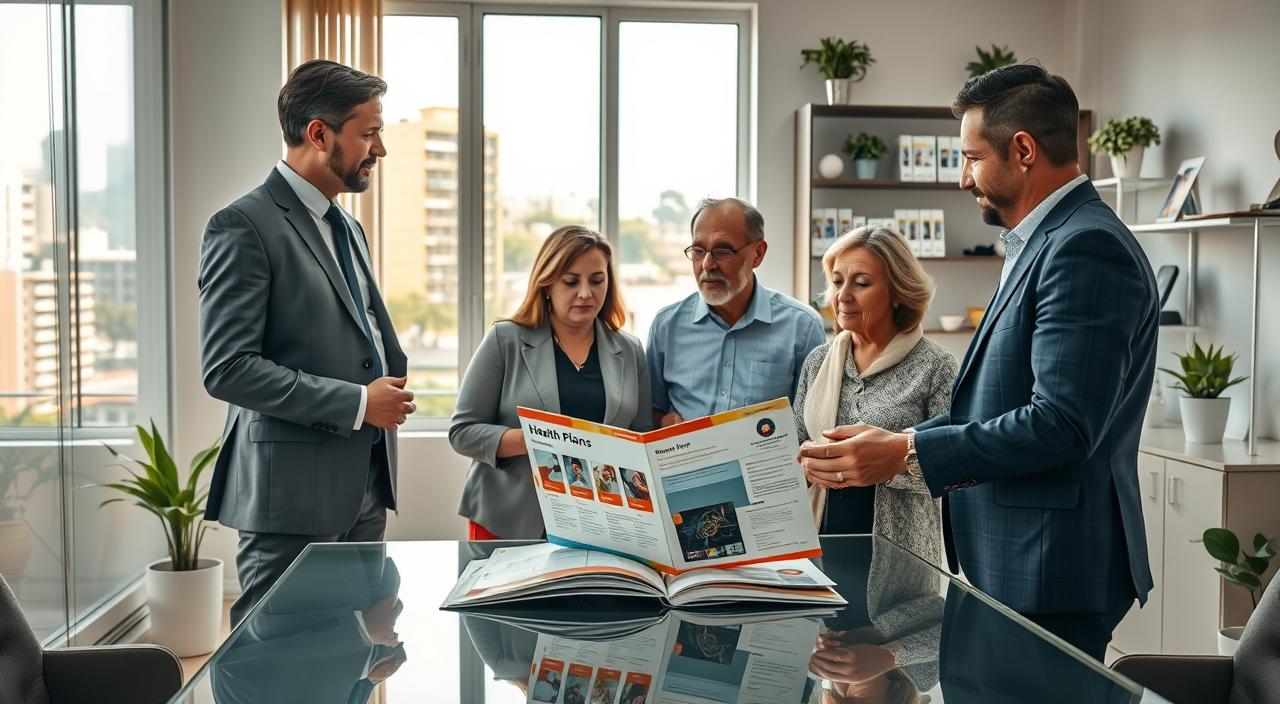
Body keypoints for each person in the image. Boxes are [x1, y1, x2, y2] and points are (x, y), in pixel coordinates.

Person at [797, 64, 1158, 660]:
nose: (964, 179)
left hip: (1048, 565)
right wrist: (901, 441)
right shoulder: (1043, 242)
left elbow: (1062, 423)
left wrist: (907, 453)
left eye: (972, 159)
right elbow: (1001, 405)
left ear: (1023, 151)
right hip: (1020, 559)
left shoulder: (1084, 247)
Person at [199, 60, 412, 626]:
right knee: (281, 657)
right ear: (319, 134)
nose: (380, 149)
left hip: (365, 485)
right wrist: (359, 402)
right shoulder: (242, 225)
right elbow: (228, 368)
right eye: (369, 133)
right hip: (291, 500)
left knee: (355, 656)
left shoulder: (349, 228)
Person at [451, 226, 652, 539]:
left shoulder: (630, 350)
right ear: (546, 284)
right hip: (509, 519)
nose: (585, 293)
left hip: (601, 524)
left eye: (597, 280)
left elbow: (642, 440)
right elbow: (462, 432)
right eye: (571, 281)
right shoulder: (505, 340)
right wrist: (543, 440)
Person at [794, 227, 956, 562]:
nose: (843, 296)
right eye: (837, 282)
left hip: (903, 555)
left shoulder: (936, 366)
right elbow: (794, 447)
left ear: (897, 292)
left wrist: (884, 463)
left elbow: (953, 467)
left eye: (861, 283)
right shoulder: (817, 362)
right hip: (819, 544)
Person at [647, 197, 825, 427]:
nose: (707, 264)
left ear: (758, 254)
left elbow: (815, 422)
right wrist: (664, 421)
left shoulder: (803, 327)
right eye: (698, 250)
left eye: (723, 251)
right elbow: (648, 411)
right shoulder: (666, 325)